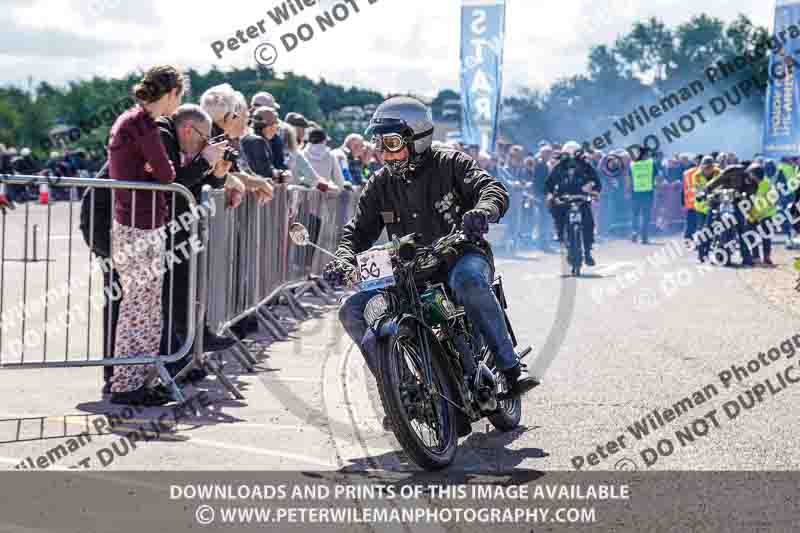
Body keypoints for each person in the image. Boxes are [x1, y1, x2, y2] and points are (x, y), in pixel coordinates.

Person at [323, 96, 538, 434]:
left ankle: (510, 368)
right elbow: (358, 230)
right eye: (379, 144)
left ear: (417, 138)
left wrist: (483, 211)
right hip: (409, 272)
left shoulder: (450, 163)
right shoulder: (380, 184)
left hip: (460, 255)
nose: (384, 152)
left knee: (468, 279)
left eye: (392, 142)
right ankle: (402, 391)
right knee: (351, 310)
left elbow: (491, 188)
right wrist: (342, 257)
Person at [106, 65, 183, 406]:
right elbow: (167, 172)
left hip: (137, 222)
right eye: (179, 96)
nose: (178, 105)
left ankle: (135, 379)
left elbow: (161, 170)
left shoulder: (134, 121)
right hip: (140, 224)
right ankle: (127, 382)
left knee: (144, 305)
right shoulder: (142, 124)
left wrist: (155, 169)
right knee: (141, 306)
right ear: (170, 93)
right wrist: (155, 169)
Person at [156, 103, 240, 382]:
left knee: (187, 285)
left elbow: (195, 190)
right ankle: (172, 361)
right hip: (150, 231)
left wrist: (218, 173)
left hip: (178, 229)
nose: (206, 143)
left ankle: (190, 349)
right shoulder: (165, 138)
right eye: (204, 138)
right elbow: (175, 186)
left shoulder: (186, 149)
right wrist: (204, 160)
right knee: (169, 296)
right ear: (188, 130)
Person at [545, 142, 601, 266]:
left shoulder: (586, 166)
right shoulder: (559, 167)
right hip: (564, 200)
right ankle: (560, 235)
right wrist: (550, 195)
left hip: (581, 199)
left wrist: (595, 191)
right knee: (557, 213)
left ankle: (587, 252)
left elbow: (596, 181)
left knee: (589, 222)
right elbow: (549, 183)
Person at [691, 156, 722, 262]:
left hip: (714, 205)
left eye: (710, 167)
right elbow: (698, 190)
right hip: (701, 207)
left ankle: (708, 251)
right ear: (702, 167)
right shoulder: (696, 176)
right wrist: (704, 194)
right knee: (701, 231)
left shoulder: (719, 173)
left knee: (711, 231)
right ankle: (700, 254)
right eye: (705, 167)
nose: (708, 170)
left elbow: (722, 186)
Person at [628, 147, 660, 244]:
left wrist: (628, 191)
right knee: (646, 215)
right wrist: (657, 187)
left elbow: (629, 178)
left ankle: (634, 233)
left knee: (635, 214)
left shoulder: (632, 164)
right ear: (646, 154)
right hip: (648, 192)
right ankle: (644, 237)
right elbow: (658, 177)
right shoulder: (651, 163)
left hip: (635, 193)